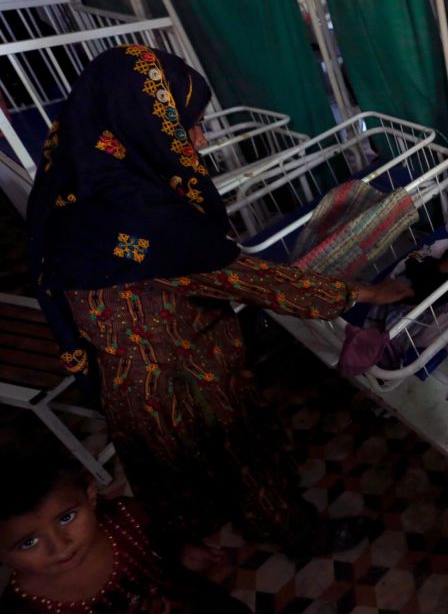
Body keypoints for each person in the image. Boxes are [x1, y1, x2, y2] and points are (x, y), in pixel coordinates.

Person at [25, 45, 413, 562]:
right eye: (190, 126)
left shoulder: (71, 179)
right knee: (247, 454)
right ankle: (292, 533)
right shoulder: (144, 219)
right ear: (145, 127)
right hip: (188, 374)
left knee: (170, 470)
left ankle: (196, 538)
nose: (202, 140)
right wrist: (366, 292)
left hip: (125, 382)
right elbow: (259, 284)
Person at [0, 431, 249, 613]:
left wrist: (181, 551)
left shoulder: (126, 517)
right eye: (28, 542)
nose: (60, 546)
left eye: (66, 518)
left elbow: (161, 538)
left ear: (90, 494)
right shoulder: (24, 609)